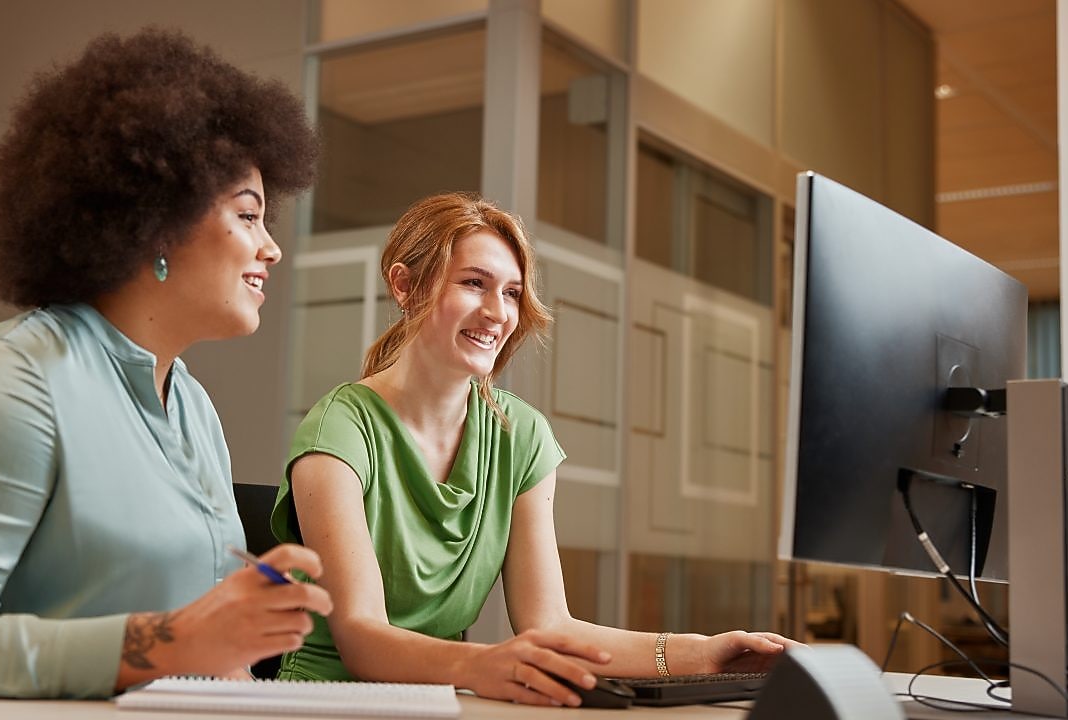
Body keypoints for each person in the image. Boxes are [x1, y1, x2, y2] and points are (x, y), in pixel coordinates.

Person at [0, 28, 331, 703]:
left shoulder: (192, 405)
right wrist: (169, 640)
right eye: (248, 215)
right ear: (159, 221)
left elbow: (197, 645)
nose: (270, 249)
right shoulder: (11, 384)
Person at [272, 192, 799, 707]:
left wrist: (704, 655)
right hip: (325, 702)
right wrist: (480, 665)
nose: (496, 312)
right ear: (405, 286)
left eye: (511, 293)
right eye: (474, 283)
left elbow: (549, 625)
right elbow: (362, 639)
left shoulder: (521, 436)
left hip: (443, 701)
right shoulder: (340, 429)